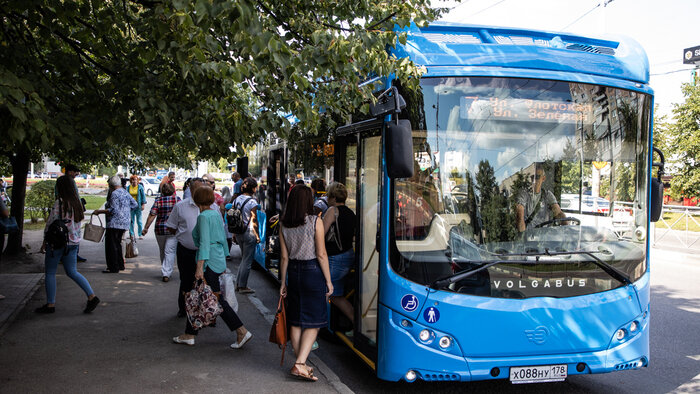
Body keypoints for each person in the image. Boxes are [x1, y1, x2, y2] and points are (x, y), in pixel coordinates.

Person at [172, 186, 252, 348]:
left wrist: (200, 267)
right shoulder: (215, 214)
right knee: (203, 295)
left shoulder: (203, 217)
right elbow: (222, 238)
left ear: (196, 199)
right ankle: (190, 333)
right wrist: (223, 258)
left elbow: (204, 243)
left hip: (208, 261)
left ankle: (241, 330)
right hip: (217, 260)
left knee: (213, 298)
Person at [279, 185, 332, 381]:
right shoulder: (315, 221)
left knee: (295, 317)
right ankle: (300, 363)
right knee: (314, 319)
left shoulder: (284, 224)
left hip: (293, 271)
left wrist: (283, 282)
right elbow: (321, 253)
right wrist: (328, 280)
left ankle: (299, 360)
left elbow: (284, 257)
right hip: (312, 272)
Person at [35, 175, 100, 314]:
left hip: (58, 243)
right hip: (74, 243)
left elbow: (50, 224)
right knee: (72, 271)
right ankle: (91, 296)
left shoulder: (60, 203)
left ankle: (50, 304)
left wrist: (44, 241)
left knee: (50, 273)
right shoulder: (77, 203)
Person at [166, 177, 219, 316]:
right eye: (196, 189)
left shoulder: (213, 207)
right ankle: (184, 310)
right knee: (186, 281)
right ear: (190, 189)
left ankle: (208, 312)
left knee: (209, 282)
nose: (199, 192)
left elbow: (219, 230)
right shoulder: (180, 206)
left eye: (202, 188)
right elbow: (171, 227)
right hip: (186, 251)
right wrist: (183, 236)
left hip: (208, 253)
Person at [322, 182, 356, 324]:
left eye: (329, 197)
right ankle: (356, 323)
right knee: (336, 296)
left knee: (322, 291)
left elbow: (320, 234)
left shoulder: (332, 211)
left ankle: (315, 328)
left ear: (334, 198)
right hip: (348, 255)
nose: (327, 200)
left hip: (335, 258)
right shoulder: (351, 213)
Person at [94, 176, 137, 273]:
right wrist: (125, 210)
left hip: (114, 223)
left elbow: (113, 210)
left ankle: (113, 267)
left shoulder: (114, 194)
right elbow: (135, 204)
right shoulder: (125, 192)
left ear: (111, 185)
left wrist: (99, 211)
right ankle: (120, 264)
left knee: (111, 246)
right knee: (118, 244)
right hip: (124, 222)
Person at [142, 183, 181, 282]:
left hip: (160, 229)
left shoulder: (158, 201)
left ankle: (165, 271)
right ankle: (166, 272)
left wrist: (146, 228)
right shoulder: (177, 200)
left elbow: (152, 214)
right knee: (170, 251)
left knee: (163, 250)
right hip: (173, 229)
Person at [516, 164, 566, 232]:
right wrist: (522, 236)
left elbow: (558, 213)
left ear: (543, 178)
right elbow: (520, 214)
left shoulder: (547, 195)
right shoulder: (524, 194)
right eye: (532, 177)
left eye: (537, 177)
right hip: (528, 235)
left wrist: (567, 228)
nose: (534, 180)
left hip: (543, 236)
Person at [232, 177, 260, 294]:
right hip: (249, 233)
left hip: (238, 233)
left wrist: (233, 233)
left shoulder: (237, 199)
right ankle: (243, 286)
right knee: (247, 261)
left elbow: (233, 217)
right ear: (253, 188)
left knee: (244, 259)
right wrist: (257, 235)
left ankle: (238, 284)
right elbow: (254, 220)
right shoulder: (252, 202)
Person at [126, 175, 147, 239]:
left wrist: (143, 204)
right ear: (131, 181)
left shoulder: (140, 187)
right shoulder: (128, 188)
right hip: (131, 206)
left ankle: (140, 234)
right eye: (133, 180)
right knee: (131, 221)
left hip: (138, 206)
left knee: (139, 221)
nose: (134, 181)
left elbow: (143, 196)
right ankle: (131, 234)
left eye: (135, 180)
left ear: (137, 181)